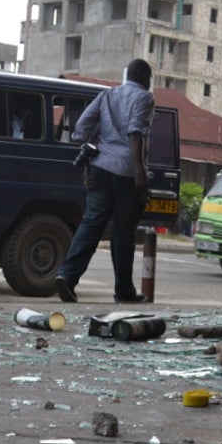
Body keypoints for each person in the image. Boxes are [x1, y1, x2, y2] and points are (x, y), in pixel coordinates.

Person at [54, 58, 155, 304]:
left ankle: (67, 276)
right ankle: (123, 291)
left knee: (90, 225)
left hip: (100, 167)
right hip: (126, 173)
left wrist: (88, 164)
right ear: (145, 78)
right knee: (123, 232)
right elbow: (135, 134)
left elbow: (81, 129)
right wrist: (140, 173)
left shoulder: (107, 95)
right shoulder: (145, 98)